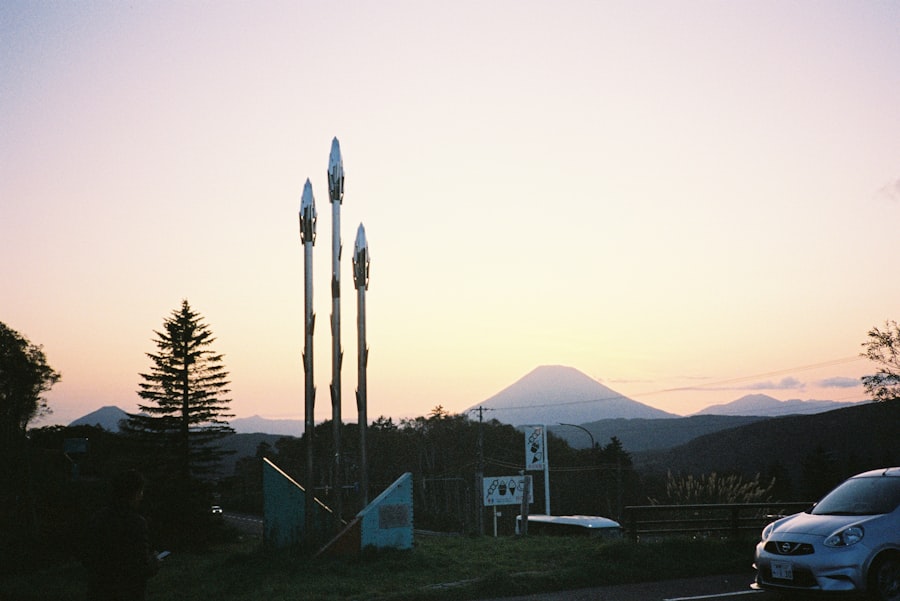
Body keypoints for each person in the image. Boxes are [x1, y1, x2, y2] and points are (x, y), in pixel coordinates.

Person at [84, 469, 161, 601]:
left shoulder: (98, 518)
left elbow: (88, 555)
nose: (141, 496)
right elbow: (139, 567)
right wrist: (155, 562)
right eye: (140, 492)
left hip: (99, 590)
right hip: (127, 592)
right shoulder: (136, 523)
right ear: (133, 493)